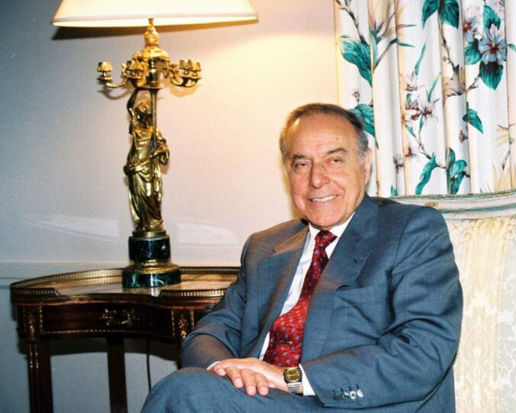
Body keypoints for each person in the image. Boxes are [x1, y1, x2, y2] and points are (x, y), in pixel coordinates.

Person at [142, 103, 463, 412]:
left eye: (334, 160)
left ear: (364, 165)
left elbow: (424, 352)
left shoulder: (409, 230)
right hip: (255, 399)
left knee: (184, 391)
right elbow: (212, 330)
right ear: (287, 172)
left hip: (350, 403)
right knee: (190, 389)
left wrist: (290, 378)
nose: (316, 179)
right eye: (302, 164)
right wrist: (227, 371)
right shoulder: (264, 247)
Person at [124, 92, 170, 233]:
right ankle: (143, 225)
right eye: (140, 112)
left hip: (148, 169)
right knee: (139, 200)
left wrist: (156, 153)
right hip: (136, 168)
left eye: (144, 111)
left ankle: (154, 224)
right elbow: (129, 106)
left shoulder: (154, 131)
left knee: (150, 197)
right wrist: (137, 90)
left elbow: (164, 148)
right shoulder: (136, 128)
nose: (140, 115)